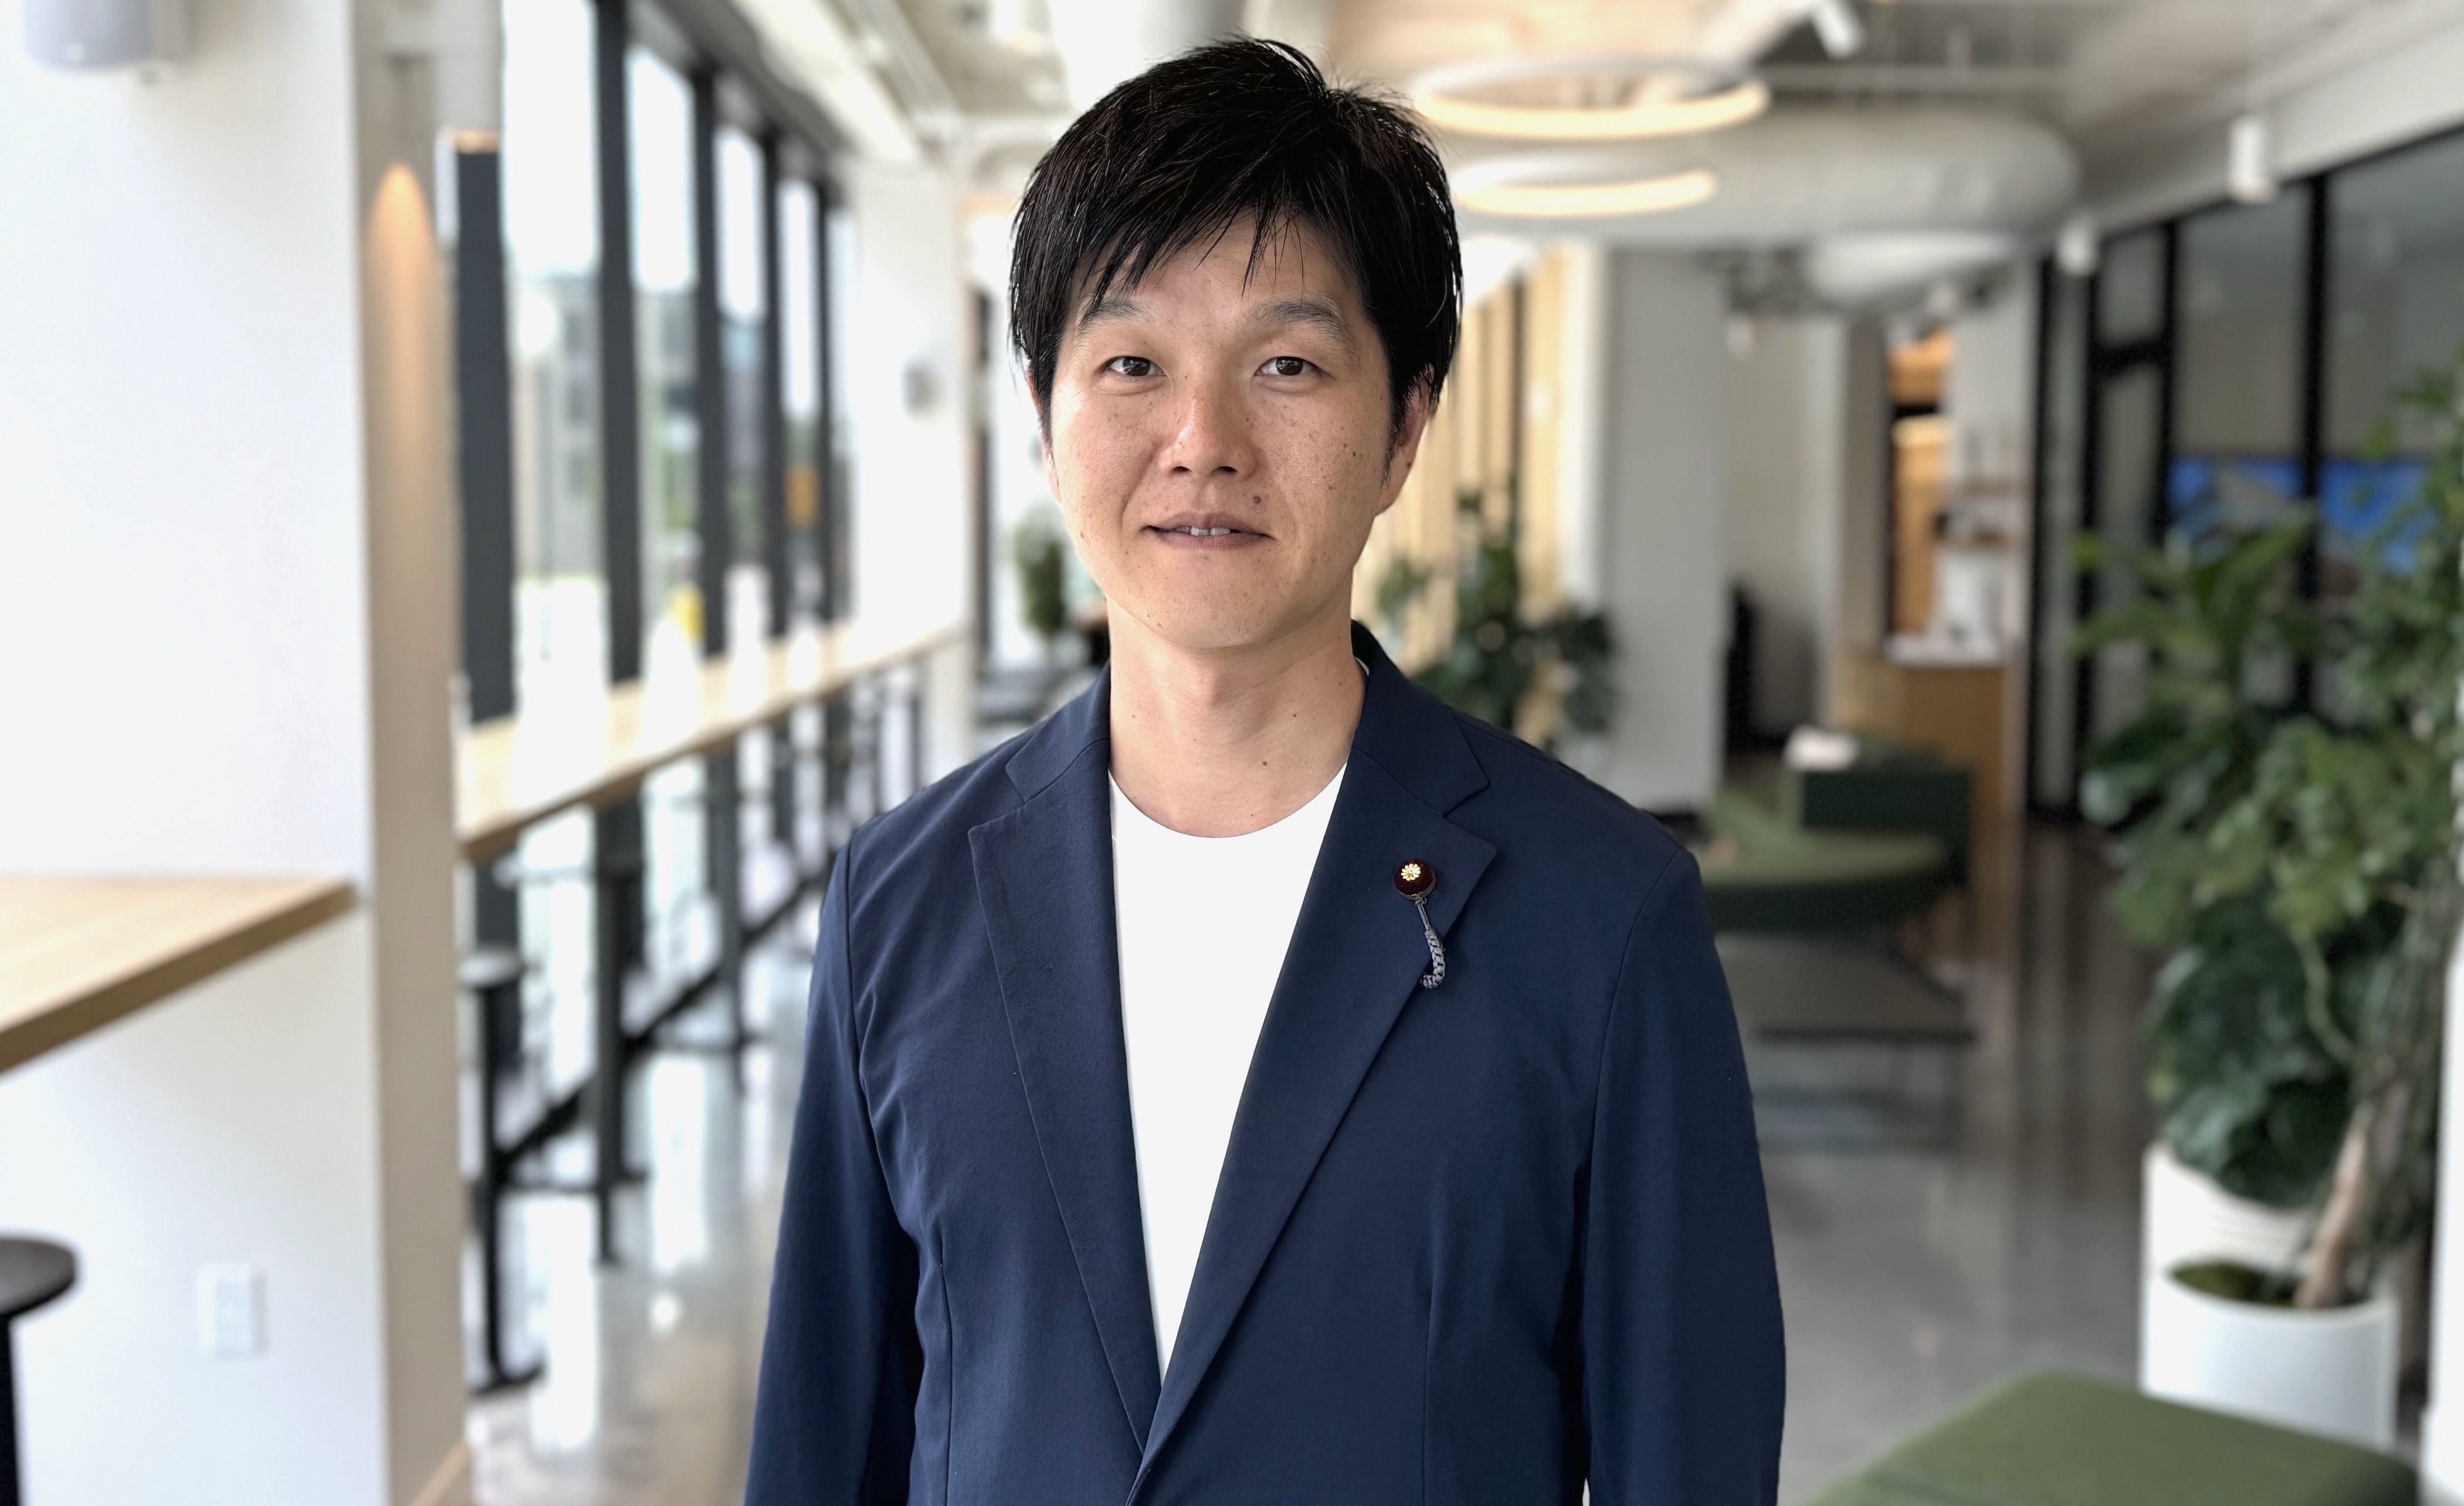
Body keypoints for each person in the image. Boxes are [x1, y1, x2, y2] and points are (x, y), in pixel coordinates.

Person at [745, 38, 1783, 1504]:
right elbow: (822, 1445)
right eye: (1130, 365)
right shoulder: (901, 903)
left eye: (1286, 365)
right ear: (1044, 418)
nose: (1202, 442)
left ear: (1403, 425)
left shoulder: (1601, 917)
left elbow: (1690, 1460)